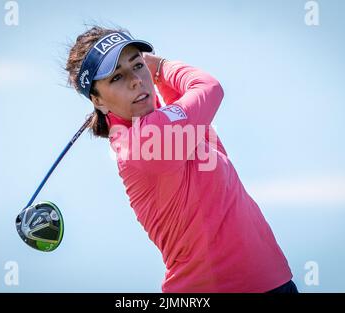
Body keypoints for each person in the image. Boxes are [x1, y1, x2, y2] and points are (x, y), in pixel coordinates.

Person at [65, 25, 298, 293]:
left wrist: (157, 77)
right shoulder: (143, 141)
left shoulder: (167, 127)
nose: (136, 80)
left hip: (272, 282)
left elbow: (192, 113)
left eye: (137, 65)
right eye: (117, 77)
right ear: (99, 101)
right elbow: (209, 87)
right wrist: (160, 67)